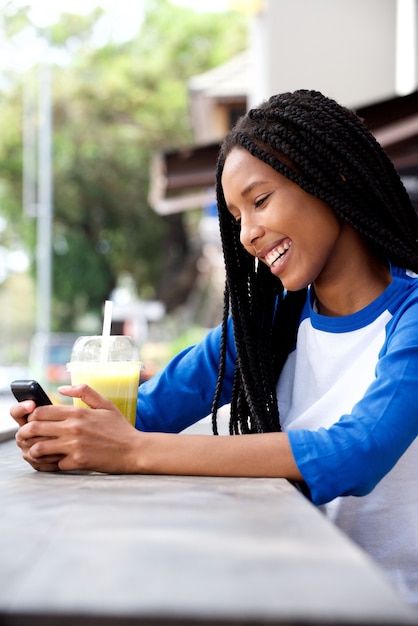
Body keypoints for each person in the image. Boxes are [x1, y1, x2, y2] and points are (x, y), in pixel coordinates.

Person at [11, 90, 418, 611]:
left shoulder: (410, 315)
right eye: (235, 215)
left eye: (261, 200)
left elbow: (357, 453)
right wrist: (65, 432)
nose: (247, 234)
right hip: (296, 592)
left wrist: (132, 451)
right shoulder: (267, 325)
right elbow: (144, 414)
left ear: (332, 179)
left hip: (388, 605)